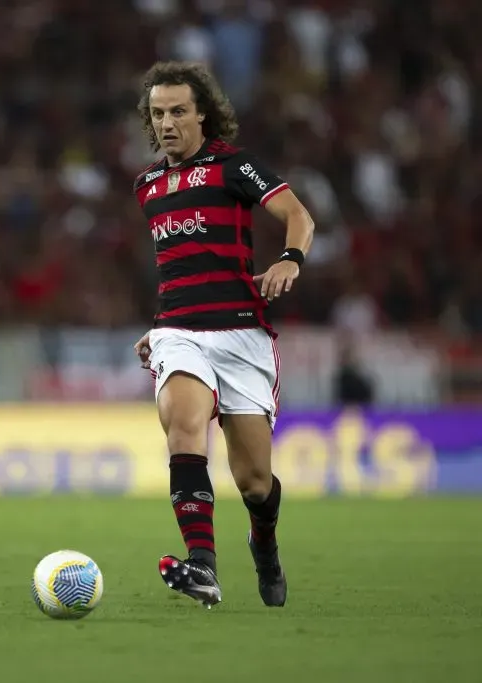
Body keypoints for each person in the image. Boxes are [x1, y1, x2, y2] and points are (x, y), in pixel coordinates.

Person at [131, 62, 315, 609]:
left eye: (178, 111)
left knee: (255, 482)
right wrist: (160, 327)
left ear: (202, 114)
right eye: (158, 113)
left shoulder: (233, 166)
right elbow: (179, 266)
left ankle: (263, 543)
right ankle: (203, 567)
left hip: (241, 333)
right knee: (184, 429)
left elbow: (299, 215)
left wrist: (290, 259)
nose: (167, 122)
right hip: (178, 331)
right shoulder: (147, 185)